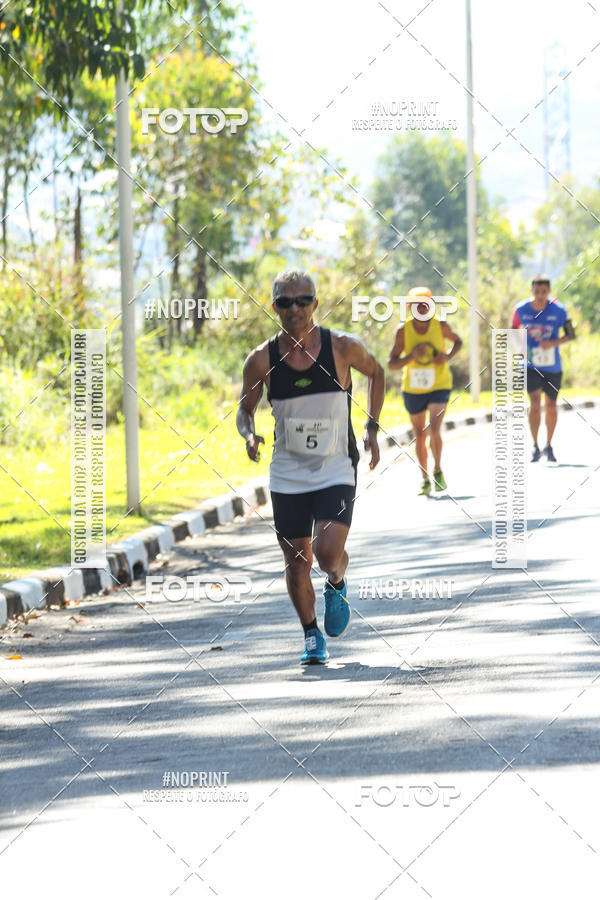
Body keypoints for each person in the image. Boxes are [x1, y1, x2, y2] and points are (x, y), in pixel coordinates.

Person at [237, 269, 385, 664]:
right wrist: (248, 435)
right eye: (285, 302)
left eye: (303, 300)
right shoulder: (260, 360)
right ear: (275, 308)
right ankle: (311, 635)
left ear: (315, 304)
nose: (295, 309)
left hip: (336, 466)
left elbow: (377, 373)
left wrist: (371, 428)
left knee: (326, 553)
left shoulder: (341, 348)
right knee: (296, 559)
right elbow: (244, 410)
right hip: (288, 471)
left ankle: (336, 580)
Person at [388, 286, 462, 495]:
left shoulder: (441, 326)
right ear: (410, 308)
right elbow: (391, 363)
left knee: (434, 429)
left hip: (439, 383)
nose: (422, 308)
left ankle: (437, 470)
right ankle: (424, 478)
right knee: (419, 434)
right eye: (417, 305)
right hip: (413, 387)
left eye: (426, 305)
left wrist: (446, 356)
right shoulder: (403, 331)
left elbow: (459, 341)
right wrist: (411, 356)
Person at [511, 274, 575, 463]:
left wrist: (553, 343)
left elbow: (571, 334)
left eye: (544, 292)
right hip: (530, 365)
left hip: (553, 366)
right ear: (531, 290)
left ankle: (548, 445)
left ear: (549, 291)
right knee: (535, 402)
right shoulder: (520, 309)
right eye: (537, 291)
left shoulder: (559, 309)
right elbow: (513, 329)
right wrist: (521, 349)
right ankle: (535, 445)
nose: (540, 295)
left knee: (551, 405)